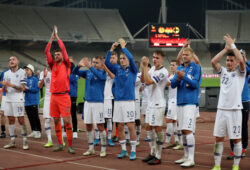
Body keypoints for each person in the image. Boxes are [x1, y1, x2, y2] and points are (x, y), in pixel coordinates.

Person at [211, 34, 245, 170]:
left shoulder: (240, 72)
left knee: (236, 139)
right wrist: (226, 49)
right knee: (218, 139)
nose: (229, 62)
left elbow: (242, 61)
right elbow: (213, 61)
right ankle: (217, 165)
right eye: (228, 60)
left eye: (232, 60)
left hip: (235, 110)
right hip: (221, 110)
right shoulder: (223, 71)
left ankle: (236, 166)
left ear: (236, 62)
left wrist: (233, 46)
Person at [105, 39, 137, 160]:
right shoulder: (117, 69)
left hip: (129, 101)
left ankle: (133, 150)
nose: (122, 60)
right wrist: (111, 49)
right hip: (118, 101)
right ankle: (123, 150)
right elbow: (107, 64)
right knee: (120, 127)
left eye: (124, 58)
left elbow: (132, 59)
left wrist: (123, 48)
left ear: (128, 59)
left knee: (130, 126)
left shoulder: (133, 70)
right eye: (121, 58)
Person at [45, 26, 74, 154]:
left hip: (64, 96)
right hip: (54, 97)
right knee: (56, 120)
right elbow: (46, 51)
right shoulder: (52, 64)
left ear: (62, 56)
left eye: (58, 54)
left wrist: (57, 37)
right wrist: (51, 39)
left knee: (67, 121)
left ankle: (70, 145)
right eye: (55, 54)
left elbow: (63, 48)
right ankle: (60, 144)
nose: (56, 56)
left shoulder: (66, 63)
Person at [171, 47, 202, 167]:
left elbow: (195, 84)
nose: (184, 56)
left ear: (192, 56)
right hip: (180, 103)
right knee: (183, 131)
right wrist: (178, 77)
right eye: (183, 54)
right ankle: (185, 155)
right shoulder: (179, 68)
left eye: (187, 54)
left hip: (190, 103)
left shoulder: (196, 68)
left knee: (188, 131)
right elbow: (173, 85)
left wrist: (183, 76)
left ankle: (191, 158)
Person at [73, 56, 107, 157]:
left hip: (98, 103)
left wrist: (89, 66)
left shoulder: (103, 73)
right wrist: (78, 65)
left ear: (101, 64)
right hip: (87, 102)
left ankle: (103, 149)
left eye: (97, 62)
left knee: (100, 126)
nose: (94, 64)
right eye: (93, 62)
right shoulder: (88, 72)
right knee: (88, 126)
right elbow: (74, 72)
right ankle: (91, 148)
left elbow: (100, 77)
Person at [141, 51, 169, 165]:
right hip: (150, 103)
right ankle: (152, 152)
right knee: (148, 127)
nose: (154, 59)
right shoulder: (151, 69)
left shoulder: (163, 72)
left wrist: (145, 67)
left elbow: (148, 82)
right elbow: (143, 80)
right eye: (153, 57)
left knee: (158, 129)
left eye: (157, 58)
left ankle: (158, 156)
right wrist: (144, 68)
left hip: (158, 104)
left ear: (162, 59)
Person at [1, 56, 29, 150]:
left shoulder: (22, 72)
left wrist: (11, 85)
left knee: (21, 120)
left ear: (18, 61)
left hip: (18, 99)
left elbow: (22, 88)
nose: (11, 61)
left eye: (13, 59)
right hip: (8, 99)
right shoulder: (6, 73)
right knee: (10, 120)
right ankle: (12, 141)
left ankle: (25, 141)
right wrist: (4, 87)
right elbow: (5, 89)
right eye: (10, 60)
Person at [227, 49, 250, 159]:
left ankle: (244, 148)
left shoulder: (244, 69)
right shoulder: (230, 70)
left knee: (243, 126)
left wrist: (244, 57)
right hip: (233, 102)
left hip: (244, 101)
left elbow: (247, 67)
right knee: (232, 126)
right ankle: (233, 150)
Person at [163, 60, 179, 149]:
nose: (171, 66)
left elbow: (166, 84)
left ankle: (168, 141)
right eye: (171, 65)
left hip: (174, 101)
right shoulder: (172, 76)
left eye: (173, 65)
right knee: (174, 122)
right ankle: (177, 140)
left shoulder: (175, 77)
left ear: (177, 66)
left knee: (168, 120)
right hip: (172, 101)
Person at [24, 64, 42, 139]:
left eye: (27, 69)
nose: (26, 71)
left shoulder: (35, 79)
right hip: (27, 101)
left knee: (35, 116)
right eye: (26, 70)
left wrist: (27, 88)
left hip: (34, 101)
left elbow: (37, 90)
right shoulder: (24, 79)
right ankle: (33, 130)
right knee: (30, 117)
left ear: (31, 71)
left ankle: (39, 131)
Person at [39, 67, 53, 147]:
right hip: (48, 98)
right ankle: (49, 140)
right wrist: (44, 77)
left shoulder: (58, 70)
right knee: (47, 119)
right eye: (47, 61)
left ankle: (61, 139)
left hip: (57, 97)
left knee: (59, 119)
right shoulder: (43, 72)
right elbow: (39, 86)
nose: (48, 63)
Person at [69, 57, 79, 139]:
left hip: (72, 96)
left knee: (73, 114)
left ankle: (75, 131)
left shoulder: (74, 74)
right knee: (65, 114)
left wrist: (68, 75)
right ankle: (66, 130)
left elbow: (73, 80)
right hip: (66, 95)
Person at [0, 70, 8, 138]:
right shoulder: (4, 73)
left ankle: (13, 131)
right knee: (2, 113)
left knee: (13, 114)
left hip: (14, 96)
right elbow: (1, 84)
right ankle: (3, 131)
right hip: (5, 95)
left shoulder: (19, 72)